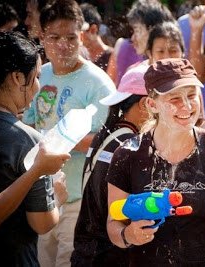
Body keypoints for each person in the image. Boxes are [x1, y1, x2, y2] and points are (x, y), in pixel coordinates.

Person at [106, 58, 205, 266]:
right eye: (174, 99)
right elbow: (113, 223)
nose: (187, 106)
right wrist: (128, 235)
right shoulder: (127, 155)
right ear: (152, 104)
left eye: (191, 96)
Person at [22, 1, 115, 266]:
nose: (63, 45)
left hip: (80, 198)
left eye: (71, 37)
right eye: (54, 37)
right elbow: (28, 124)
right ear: (42, 37)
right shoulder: (39, 75)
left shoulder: (98, 84)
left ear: (82, 36)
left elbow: (106, 142)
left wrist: (59, 141)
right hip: (41, 195)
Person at [0, 31, 71, 266]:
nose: (39, 86)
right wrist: (55, 196)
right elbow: (42, 223)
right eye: (36, 75)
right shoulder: (28, 141)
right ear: (18, 77)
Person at [71, 65, 150, 266]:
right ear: (144, 104)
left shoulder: (106, 136)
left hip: (87, 253)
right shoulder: (131, 146)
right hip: (111, 256)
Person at [80, 3, 113, 72]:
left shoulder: (112, 57)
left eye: (80, 31)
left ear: (93, 30)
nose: (77, 36)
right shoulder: (80, 56)